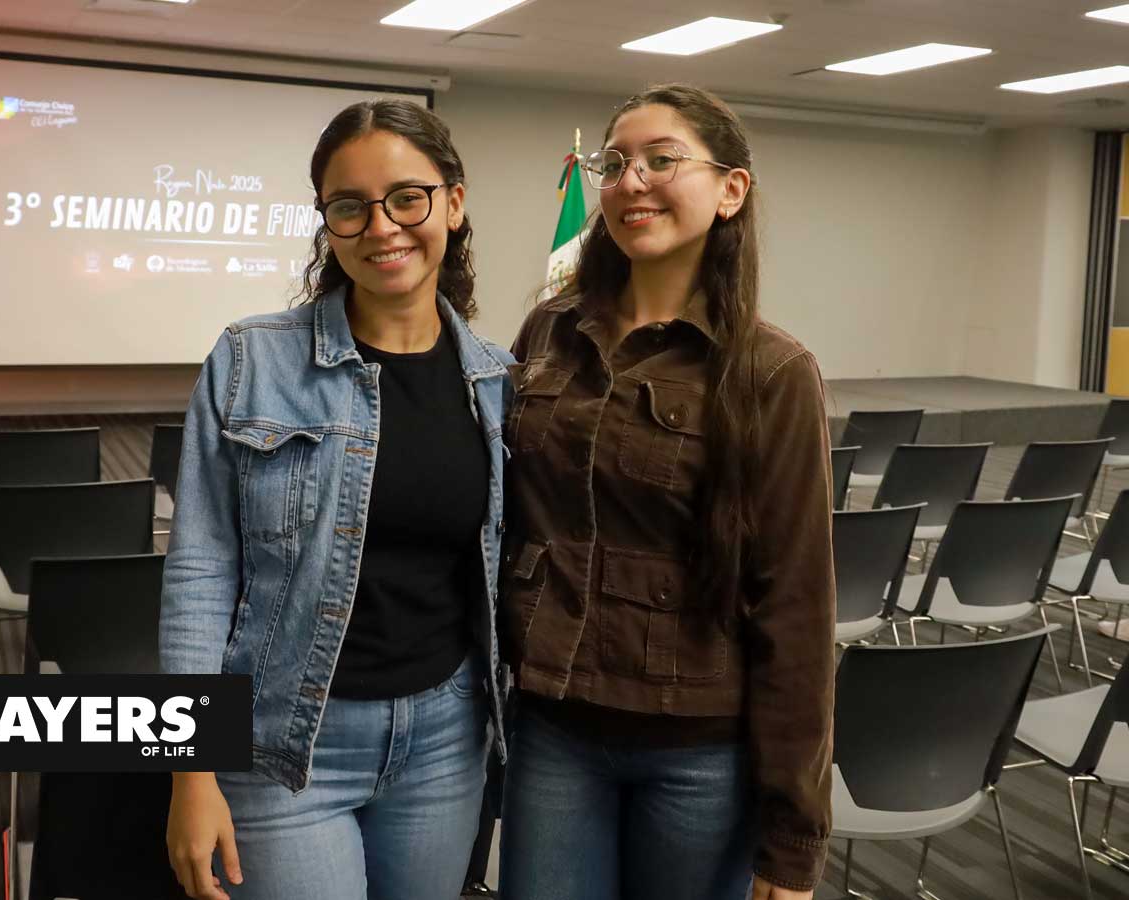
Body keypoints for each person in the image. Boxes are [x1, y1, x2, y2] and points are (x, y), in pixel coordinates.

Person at [159, 98, 513, 900]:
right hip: (286, 745)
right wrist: (189, 770)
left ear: (453, 204)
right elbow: (200, 575)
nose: (382, 227)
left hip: (444, 739)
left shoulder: (498, 380)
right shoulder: (251, 360)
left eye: (407, 198)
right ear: (327, 222)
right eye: (349, 207)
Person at [497, 84, 835, 900]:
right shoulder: (550, 332)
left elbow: (794, 607)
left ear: (731, 191)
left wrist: (793, 836)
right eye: (614, 164)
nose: (629, 181)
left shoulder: (772, 371)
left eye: (661, 160)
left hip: (698, 752)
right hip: (554, 727)